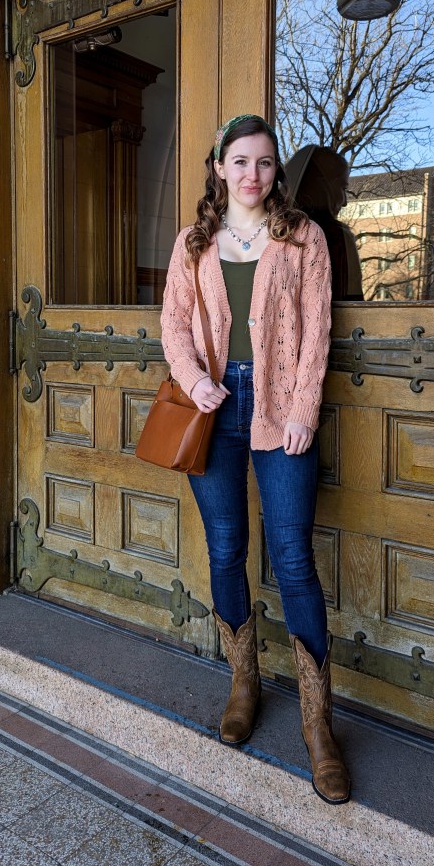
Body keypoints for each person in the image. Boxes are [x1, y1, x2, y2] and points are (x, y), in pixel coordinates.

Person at [160, 114, 350, 805]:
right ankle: (243, 684)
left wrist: (302, 411)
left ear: (276, 171)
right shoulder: (194, 242)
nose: (251, 174)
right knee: (223, 548)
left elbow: (318, 330)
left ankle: (316, 726)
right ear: (218, 167)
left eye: (264, 162)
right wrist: (196, 382)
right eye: (238, 161)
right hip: (214, 408)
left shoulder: (304, 238)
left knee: (292, 556)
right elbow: (174, 325)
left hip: (279, 410)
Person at [285, 144, 364, 302]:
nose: (345, 202)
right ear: (322, 187)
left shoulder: (272, 232)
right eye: (342, 188)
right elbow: (355, 311)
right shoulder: (339, 239)